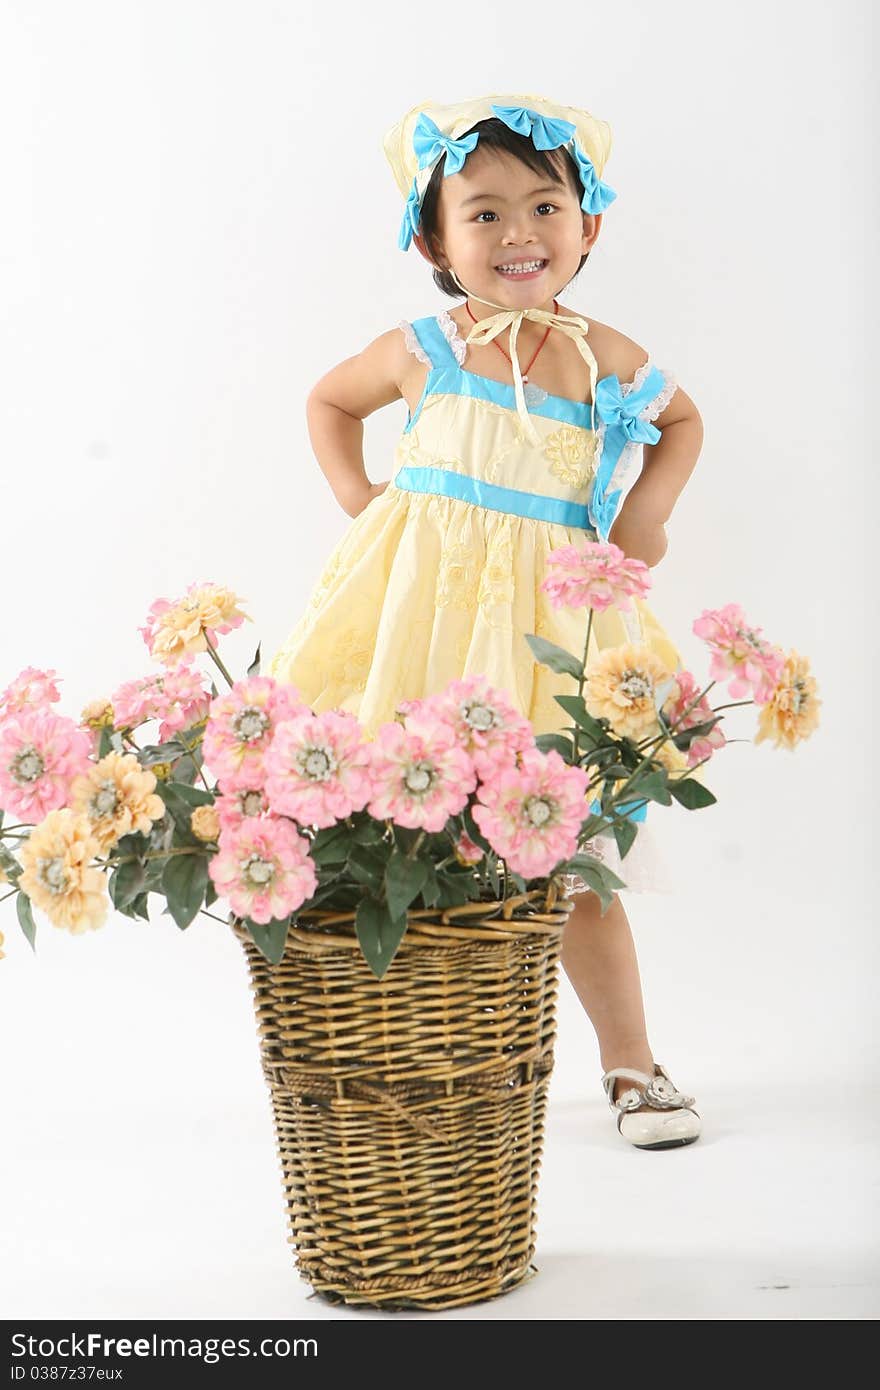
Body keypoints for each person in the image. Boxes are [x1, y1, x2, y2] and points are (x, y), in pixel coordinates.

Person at [268, 94, 705, 1150]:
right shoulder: (423, 348)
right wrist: (367, 504)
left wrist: (644, 508)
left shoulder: (603, 355)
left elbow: (683, 420)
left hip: (546, 641)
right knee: (394, 836)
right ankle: (408, 1064)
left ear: (588, 225)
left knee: (566, 853)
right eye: (484, 213)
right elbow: (328, 401)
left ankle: (631, 1062)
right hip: (416, 627)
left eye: (545, 206)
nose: (519, 235)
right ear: (433, 238)